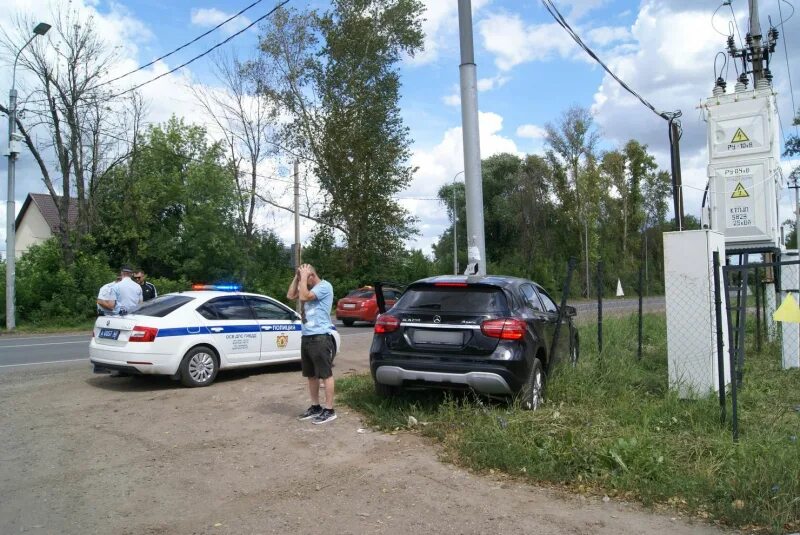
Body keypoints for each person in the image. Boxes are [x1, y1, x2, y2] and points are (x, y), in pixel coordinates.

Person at [287, 263, 337, 425]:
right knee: (311, 375)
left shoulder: (325, 286)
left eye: (304, 278)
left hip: (320, 337)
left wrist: (303, 277)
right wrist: (297, 276)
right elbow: (290, 295)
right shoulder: (304, 285)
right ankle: (315, 406)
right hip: (307, 336)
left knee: (325, 374)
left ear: (311, 276)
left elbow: (304, 297)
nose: (303, 282)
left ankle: (329, 410)